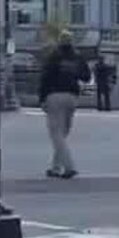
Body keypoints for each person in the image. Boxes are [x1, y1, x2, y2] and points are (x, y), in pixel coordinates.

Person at [39, 33, 89, 179]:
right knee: (63, 133)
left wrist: (42, 99)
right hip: (71, 97)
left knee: (56, 134)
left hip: (54, 95)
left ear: (59, 42)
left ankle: (69, 167)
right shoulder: (77, 58)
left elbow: (45, 78)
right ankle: (55, 168)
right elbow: (86, 77)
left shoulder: (54, 57)